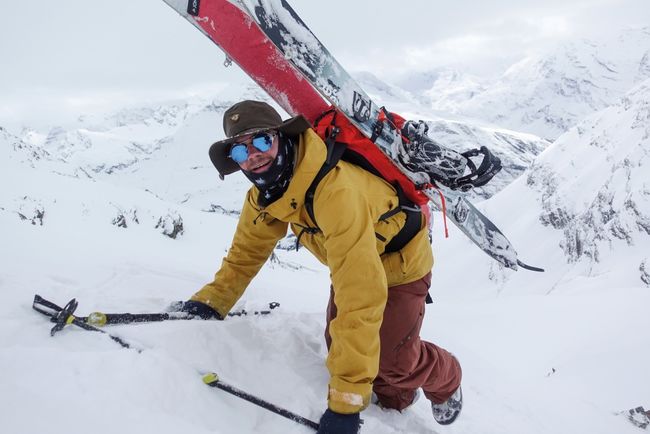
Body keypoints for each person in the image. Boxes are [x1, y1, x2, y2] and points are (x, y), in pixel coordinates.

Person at [179, 100, 463, 433]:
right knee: (347, 350)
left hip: (401, 265)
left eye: (260, 141)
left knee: (391, 360)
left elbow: (359, 296)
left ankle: (447, 378)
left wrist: (347, 404)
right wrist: (212, 300)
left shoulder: (336, 191)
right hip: (353, 261)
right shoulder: (266, 194)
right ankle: (396, 403)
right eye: (240, 152)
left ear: (283, 138)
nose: (252, 156)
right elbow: (246, 253)